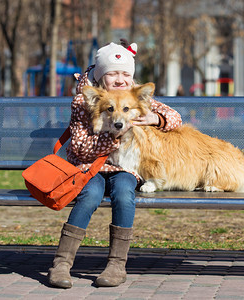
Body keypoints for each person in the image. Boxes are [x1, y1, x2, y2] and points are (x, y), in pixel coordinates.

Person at [48, 40, 183, 288]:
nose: (120, 79)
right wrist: (114, 138)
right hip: (91, 167)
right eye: (112, 73)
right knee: (90, 196)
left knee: (124, 193)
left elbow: (176, 118)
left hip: (124, 169)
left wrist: (156, 117)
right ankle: (61, 264)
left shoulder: (135, 95)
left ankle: (116, 265)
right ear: (101, 76)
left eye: (125, 73)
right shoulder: (84, 101)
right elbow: (79, 148)